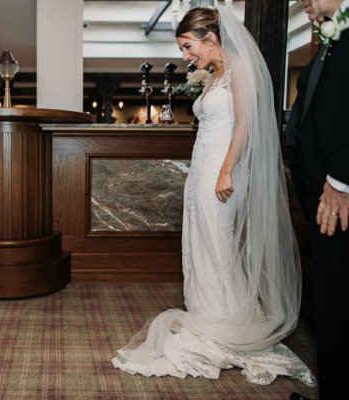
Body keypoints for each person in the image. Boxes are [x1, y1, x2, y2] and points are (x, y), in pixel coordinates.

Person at [111, 5, 316, 388]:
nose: (187, 57)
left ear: (211, 37)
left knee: (219, 245)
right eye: (184, 50)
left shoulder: (240, 68)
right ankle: (208, 314)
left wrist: (227, 169)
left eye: (189, 47)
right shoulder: (213, 75)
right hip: (201, 171)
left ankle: (226, 323)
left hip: (223, 173)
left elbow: (246, 123)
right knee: (201, 242)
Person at [286, 1, 349, 398]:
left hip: (338, 192)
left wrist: (340, 181)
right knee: (334, 301)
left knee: (338, 305)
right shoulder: (333, 32)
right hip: (321, 191)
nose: (303, 4)